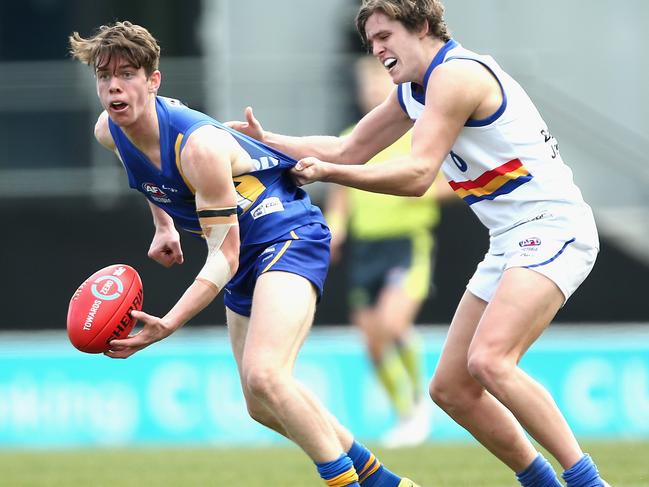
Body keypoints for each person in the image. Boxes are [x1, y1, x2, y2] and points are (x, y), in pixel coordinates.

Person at [226, 1, 609, 486]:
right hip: (511, 238)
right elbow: (349, 146)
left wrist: (330, 174)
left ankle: (588, 482)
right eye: (371, 43)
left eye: (385, 36)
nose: (378, 50)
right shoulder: (415, 89)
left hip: (554, 226)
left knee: (489, 360)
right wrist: (271, 142)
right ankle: (541, 482)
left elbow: (416, 174)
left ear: (422, 26)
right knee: (451, 389)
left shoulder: (457, 75)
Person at [68, 21, 421, 487]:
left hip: (285, 231)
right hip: (245, 247)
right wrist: (164, 223)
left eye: (128, 74)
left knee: (266, 374)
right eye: (104, 75)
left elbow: (224, 256)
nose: (114, 85)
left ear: (154, 81)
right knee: (261, 405)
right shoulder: (109, 131)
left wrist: (170, 322)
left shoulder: (199, 148)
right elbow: (145, 172)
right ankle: (384, 482)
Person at [325, 55, 453, 448]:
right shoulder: (354, 136)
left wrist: (418, 189)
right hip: (367, 247)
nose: (371, 92)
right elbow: (341, 192)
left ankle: (420, 403)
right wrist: (335, 230)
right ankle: (405, 414)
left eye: (377, 83)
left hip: (406, 242)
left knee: (393, 324)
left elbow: (454, 182)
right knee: (372, 340)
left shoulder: (421, 132)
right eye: (365, 85)